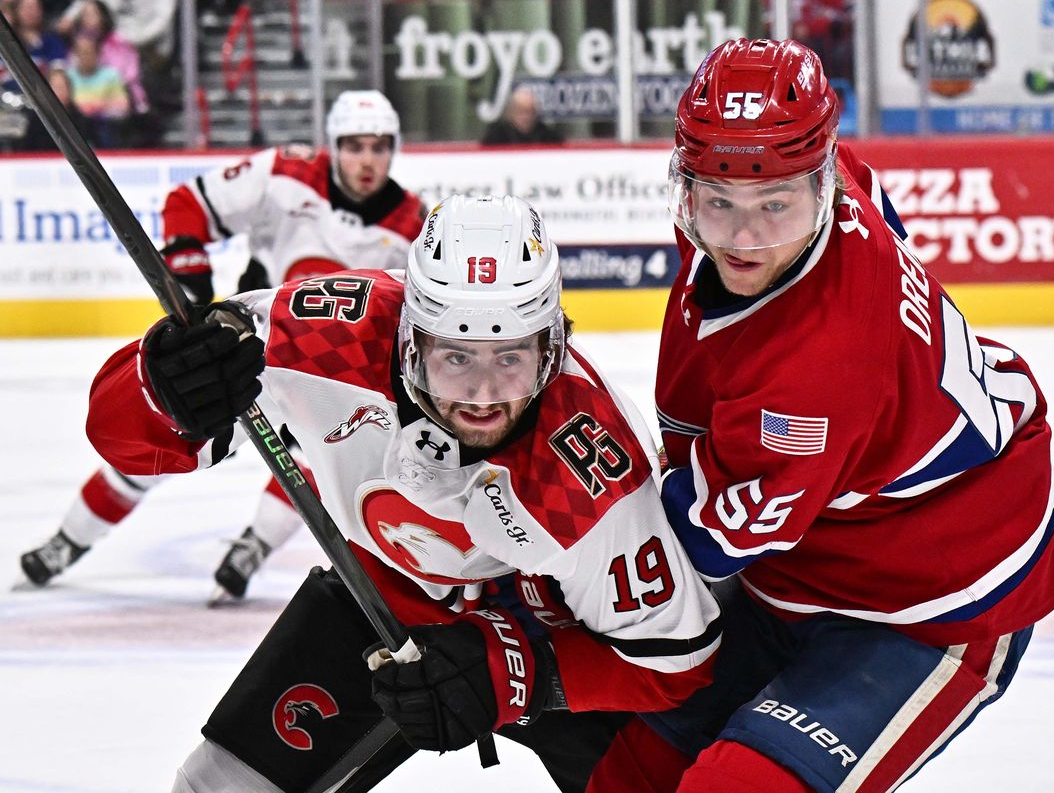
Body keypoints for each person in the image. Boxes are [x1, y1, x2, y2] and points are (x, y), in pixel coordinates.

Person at [84, 193, 723, 792]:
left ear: (553, 346)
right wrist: (163, 388)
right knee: (220, 786)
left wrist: (510, 675)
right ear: (410, 338)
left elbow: (673, 661)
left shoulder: (590, 470)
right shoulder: (331, 337)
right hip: (376, 601)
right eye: (456, 357)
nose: (482, 394)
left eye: (511, 358)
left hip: (546, 631)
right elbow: (128, 438)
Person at [586, 38, 1054, 793]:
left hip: (930, 605)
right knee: (619, 772)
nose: (741, 238)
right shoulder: (828, 182)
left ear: (818, 184)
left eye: (773, 207)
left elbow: (707, 541)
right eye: (716, 202)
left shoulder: (815, 377)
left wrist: (552, 545)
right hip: (818, 548)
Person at [19, 90, 427, 603]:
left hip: (324, 378)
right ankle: (68, 541)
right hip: (240, 348)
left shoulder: (413, 225)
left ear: (394, 149)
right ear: (332, 144)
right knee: (172, 435)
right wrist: (191, 269)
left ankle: (253, 546)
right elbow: (189, 204)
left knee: (322, 463)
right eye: (354, 145)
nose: (366, 160)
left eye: (378, 146)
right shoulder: (285, 173)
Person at [481, 85, 564, 146]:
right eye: (520, 111)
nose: (526, 117)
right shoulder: (496, 136)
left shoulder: (547, 136)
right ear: (511, 112)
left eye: (530, 111)